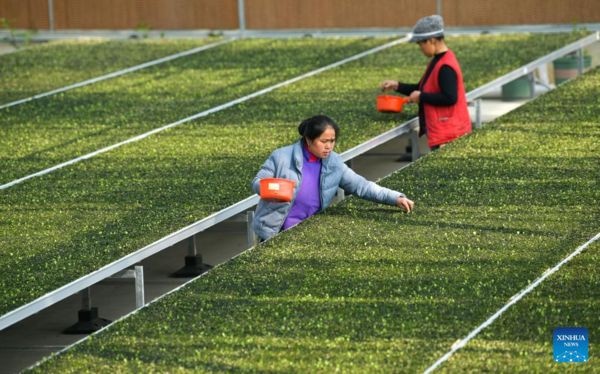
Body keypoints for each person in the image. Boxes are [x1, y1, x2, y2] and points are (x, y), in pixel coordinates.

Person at [252, 115, 414, 242]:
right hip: (273, 232)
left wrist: (394, 198)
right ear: (309, 140)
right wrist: (273, 189)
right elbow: (258, 181)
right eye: (324, 141)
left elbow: (361, 186)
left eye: (332, 141)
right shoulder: (282, 156)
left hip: (305, 232)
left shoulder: (334, 163)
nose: (329, 146)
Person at [380, 15, 471, 151]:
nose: (420, 48)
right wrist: (396, 85)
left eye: (421, 44)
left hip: (449, 135)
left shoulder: (445, 66)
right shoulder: (437, 61)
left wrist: (421, 97)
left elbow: (450, 98)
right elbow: (422, 87)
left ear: (432, 40)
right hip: (443, 131)